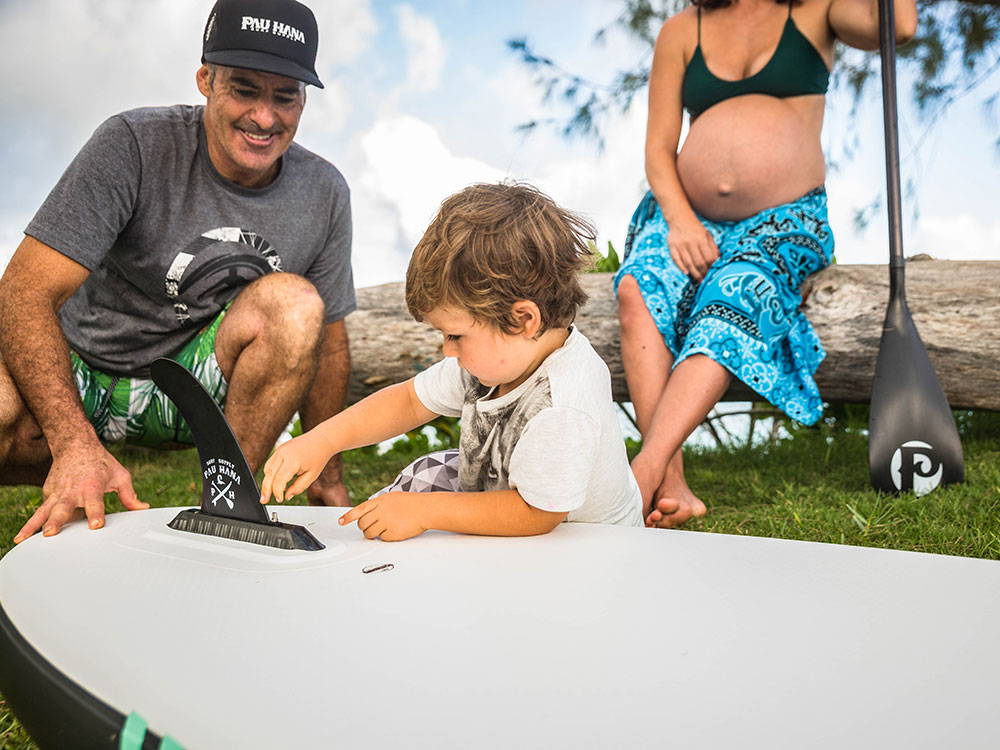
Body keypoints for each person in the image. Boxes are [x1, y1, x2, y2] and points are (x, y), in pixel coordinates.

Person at [0, 0, 355, 543]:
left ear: (303, 100)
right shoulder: (132, 143)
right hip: (81, 368)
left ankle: (224, 504)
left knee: (297, 305)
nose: (265, 116)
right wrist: (73, 442)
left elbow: (328, 343)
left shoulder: (325, 191)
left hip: (191, 385)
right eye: (243, 88)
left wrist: (326, 467)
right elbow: (24, 292)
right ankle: (84, 465)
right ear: (205, 79)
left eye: (284, 96)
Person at [616, 0, 918, 527]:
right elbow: (658, 148)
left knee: (734, 296)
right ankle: (673, 482)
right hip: (687, 214)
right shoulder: (682, 29)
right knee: (637, 290)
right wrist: (681, 220)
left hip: (785, 218)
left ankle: (643, 470)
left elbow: (897, 27)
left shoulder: (816, 10)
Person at [261, 183, 643, 540]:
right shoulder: (501, 356)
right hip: (518, 498)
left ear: (524, 320)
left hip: (584, 543)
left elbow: (536, 513)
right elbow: (410, 400)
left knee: (425, 505)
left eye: (455, 335)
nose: (448, 351)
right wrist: (322, 441)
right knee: (425, 474)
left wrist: (424, 513)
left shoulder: (562, 405)